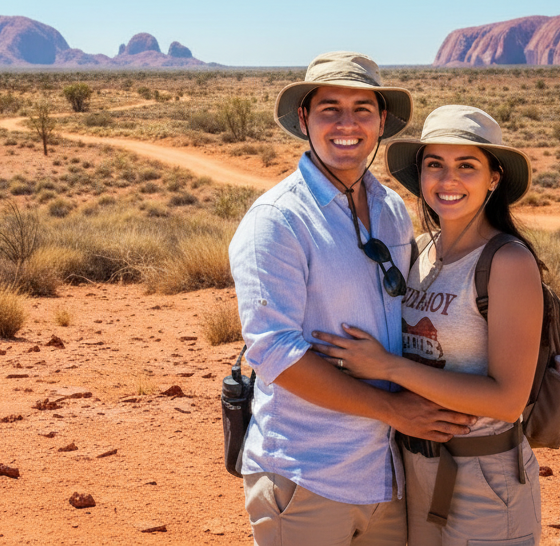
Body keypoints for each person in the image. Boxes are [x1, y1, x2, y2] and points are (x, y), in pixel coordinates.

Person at [230, 53, 476, 546]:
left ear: (381, 121)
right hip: (307, 475)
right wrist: (394, 410)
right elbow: (275, 353)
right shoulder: (277, 220)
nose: (348, 124)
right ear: (305, 119)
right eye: (330, 109)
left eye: (362, 109)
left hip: (385, 475)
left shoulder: (390, 208)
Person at [312, 104, 544, 545]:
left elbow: (507, 400)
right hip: (414, 470)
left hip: (484, 477)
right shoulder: (417, 251)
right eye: (434, 164)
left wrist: (388, 367)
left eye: (467, 166)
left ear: (494, 178)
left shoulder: (507, 262)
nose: (448, 179)